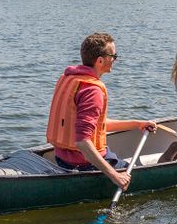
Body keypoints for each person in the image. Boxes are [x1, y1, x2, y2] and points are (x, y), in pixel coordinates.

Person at [46, 32, 156, 191]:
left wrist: (137, 124)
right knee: (141, 176)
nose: (115, 59)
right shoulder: (92, 90)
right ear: (100, 61)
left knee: (115, 156)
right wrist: (115, 176)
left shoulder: (70, 78)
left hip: (61, 158)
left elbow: (97, 125)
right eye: (114, 55)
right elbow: (82, 141)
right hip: (83, 164)